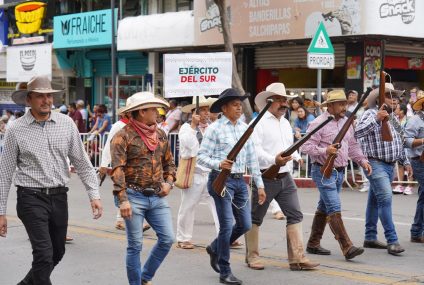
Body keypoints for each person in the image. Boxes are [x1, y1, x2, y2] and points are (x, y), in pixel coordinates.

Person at [0, 75, 103, 285]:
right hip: (30, 197)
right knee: (44, 254)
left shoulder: (66, 124)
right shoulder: (15, 129)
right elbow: (5, 172)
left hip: (59, 197)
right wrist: (0, 211)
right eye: (40, 96)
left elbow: (82, 162)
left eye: (49, 95)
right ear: (29, 99)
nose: (46, 100)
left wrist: (94, 195)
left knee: (57, 252)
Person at [245, 82, 318, 271]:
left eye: (285, 100)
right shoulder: (257, 122)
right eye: (279, 100)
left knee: (295, 214)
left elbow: (288, 147)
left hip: (285, 176)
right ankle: (252, 256)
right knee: (255, 218)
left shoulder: (285, 122)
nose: (284, 103)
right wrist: (273, 160)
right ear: (269, 102)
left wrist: (295, 157)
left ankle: (297, 258)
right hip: (265, 176)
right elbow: (255, 151)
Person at [197, 88, 266, 285]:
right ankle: (224, 271)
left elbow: (252, 159)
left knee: (245, 224)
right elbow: (201, 157)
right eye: (235, 104)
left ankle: (215, 247)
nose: (239, 107)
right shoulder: (214, 129)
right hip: (220, 180)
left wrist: (259, 185)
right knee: (227, 225)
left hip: (239, 181)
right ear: (224, 108)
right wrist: (218, 164)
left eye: (240, 104)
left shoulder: (245, 128)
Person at [111, 92, 176, 285]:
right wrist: (123, 200)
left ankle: (145, 277)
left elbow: (170, 164)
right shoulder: (122, 136)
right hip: (132, 196)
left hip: (157, 196)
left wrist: (169, 182)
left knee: (167, 239)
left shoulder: (161, 134)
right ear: (141, 112)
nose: (158, 112)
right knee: (135, 245)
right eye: (153, 109)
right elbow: (117, 170)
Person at [301, 90, 371, 260]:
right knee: (333, 207)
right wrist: (326, 150)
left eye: (345, 103)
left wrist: (362, 161)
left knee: (324, 207)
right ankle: (347, 246)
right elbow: (305, 147)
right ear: (330, 106)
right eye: (340, 104)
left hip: (340, 171)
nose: (344, 107)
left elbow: (353, 145)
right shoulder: (318, 123)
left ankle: (313, 243)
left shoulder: (347, 121)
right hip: (323, 170)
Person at [356, 82, 412, 256]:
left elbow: (400, 142)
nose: (395, 100)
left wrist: (406, 161)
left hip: (389, 165)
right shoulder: (370, 113)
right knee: (386, 198)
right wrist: (377, 119)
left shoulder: (393, 118)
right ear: (380, 98)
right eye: (390, 96)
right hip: (375, 163)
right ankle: (392, 240)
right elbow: (357, 133)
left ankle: (370, 237)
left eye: (396, 97)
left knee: (375, 200)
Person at [99, 93, 151, 232]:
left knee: (131, 192)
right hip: (120, 165)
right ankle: (128, 221)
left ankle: (121, 221)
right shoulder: (119, 126)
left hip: (133, 166)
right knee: (126, 191)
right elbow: (109, 145)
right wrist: (104, 165)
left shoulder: (140, 127)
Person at [176, 96, 220, 249]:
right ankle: (183, 238)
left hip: (211, 174)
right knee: (188, 206)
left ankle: (225, 235)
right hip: (194, 174)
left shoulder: (212, 128)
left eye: (208, 110)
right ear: (194, 112)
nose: (207, 113)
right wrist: (194, 127)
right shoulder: (186, 128)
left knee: (219, 205)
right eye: (203, 110)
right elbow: (191, 148)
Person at [404, 93, 424, 243]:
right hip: (419, 159)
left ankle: (416, 231)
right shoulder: (414, 120)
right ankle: (417, 231)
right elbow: (407, 141)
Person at [393, 103, 413, 195]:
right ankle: (400, 185)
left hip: (407, 146)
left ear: (402, 111)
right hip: (398, 145)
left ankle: (410, 186)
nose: (395, 110)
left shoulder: (409, 120)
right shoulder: (394, 119)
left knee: (408, 166)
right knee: (400, 165)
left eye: (397, 108)